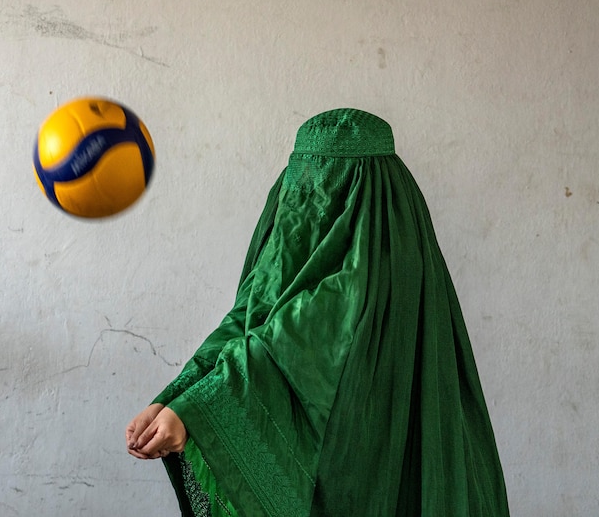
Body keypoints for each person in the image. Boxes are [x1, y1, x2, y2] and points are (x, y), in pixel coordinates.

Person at [126, 108, 510, 516]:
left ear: (360, 188)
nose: (310, 192)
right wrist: (175, 399)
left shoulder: (384, 253)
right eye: (303, 178)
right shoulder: (360, 222)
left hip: (362, 462)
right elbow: (251, 318)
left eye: (325, 181)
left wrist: (189, 414)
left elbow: (292, 337)